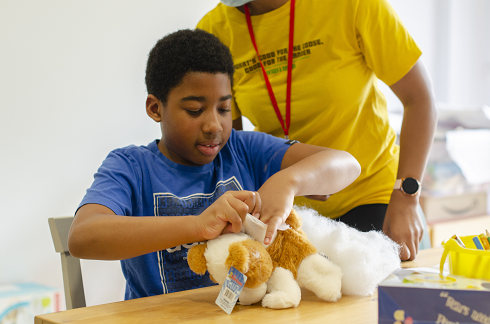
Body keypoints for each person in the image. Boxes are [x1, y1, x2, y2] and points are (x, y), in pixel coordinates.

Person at [68, 29, 361, 300]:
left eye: (224, 109)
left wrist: (287, 181)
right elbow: (83, 237)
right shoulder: (131, 167)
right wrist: (197, 226)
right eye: (195, 110)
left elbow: (347, 164)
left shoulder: (244, 149)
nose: (214, 125)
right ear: (156, 108)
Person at [196, 0, 438, 261]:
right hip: (288, 213)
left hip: (374, 197)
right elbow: (232, 143)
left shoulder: (353, 5)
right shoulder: (215, 29)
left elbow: (419, 100)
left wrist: (406, 197)